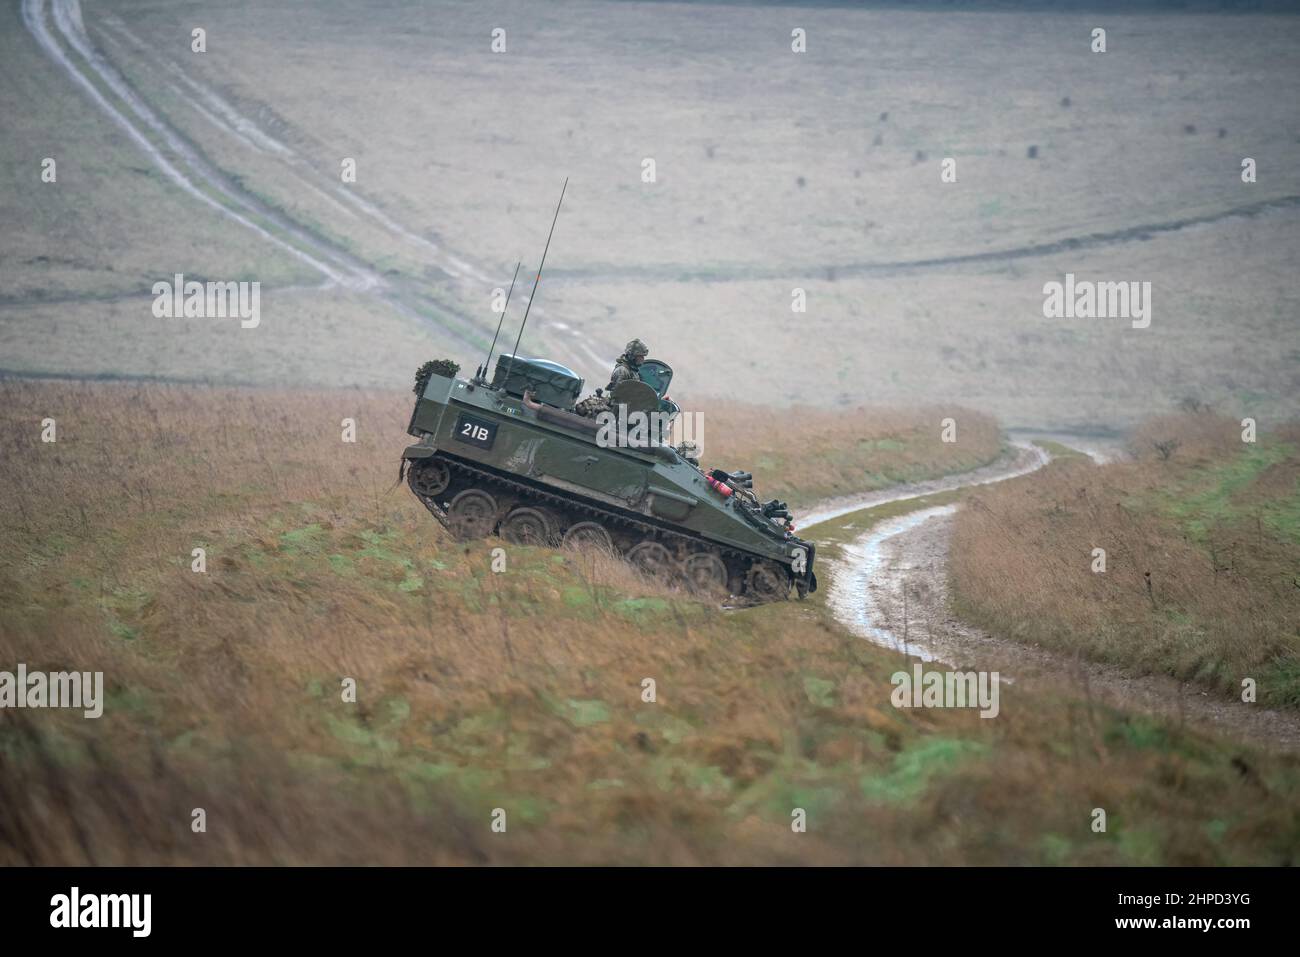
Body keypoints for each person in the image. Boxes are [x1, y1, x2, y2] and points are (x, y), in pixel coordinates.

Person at [575, 338, 650, 417]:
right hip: (618, 411)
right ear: (633, 356)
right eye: (640, 356)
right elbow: (619, 395)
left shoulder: (633, 372)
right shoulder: (622, 371)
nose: (643, 359)